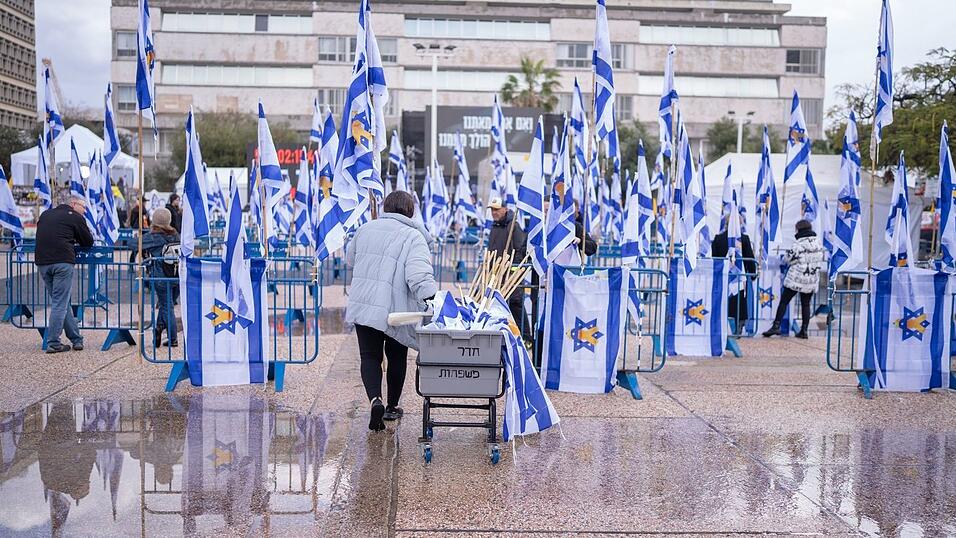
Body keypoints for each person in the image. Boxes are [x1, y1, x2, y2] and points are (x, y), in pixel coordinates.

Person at [346, 191, 438, 431]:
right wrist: (430, 299)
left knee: (369, 356)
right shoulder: (413, 236)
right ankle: (391, 407)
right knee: (397, 355)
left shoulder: (365, 229)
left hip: (364, 303)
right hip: (395, 309)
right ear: (411, 211)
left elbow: (350, 259)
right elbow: (418, 274)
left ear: (386, 207)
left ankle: (374, 399)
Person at [34, 196, 95, 353]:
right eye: (83, 206)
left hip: (42, 262)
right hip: (62, 261)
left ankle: (76, 339)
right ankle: (53, 342)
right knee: (59, 304)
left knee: (61, 301)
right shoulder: (75, 217)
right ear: (73, 204)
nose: (85, 210)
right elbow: (88, 242)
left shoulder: (45, 214)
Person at [762, 219, 826, 339]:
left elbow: (787, 259)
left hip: (796, 278)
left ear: (799, 230)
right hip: (811, 278)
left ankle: (776, 326)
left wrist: (795, 261)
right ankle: (804, 330)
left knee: (784, 301)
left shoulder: (798, 244)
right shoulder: (818, 243)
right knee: (805, 304)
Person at [486, 197, 529, 338]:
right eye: (492, 210)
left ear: (505, 209)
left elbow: (520, 250)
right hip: (495, 274)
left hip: (510, 276)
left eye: (497, 209)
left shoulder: (513, 227)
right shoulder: (494, 226)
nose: (494, 212)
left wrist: (512, 271)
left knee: (516, 305)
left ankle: (525, 336)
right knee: (497, 305)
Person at [142, 208, 180, 347]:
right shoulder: (176, 234)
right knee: (166, 305)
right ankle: (158, 329)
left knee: (166, 306)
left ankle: (173, 338)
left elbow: (133, 244)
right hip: (176, 275)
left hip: (161, 276)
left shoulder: (154, 237)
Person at [710, 226, 757, 334]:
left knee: (725, 299)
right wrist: (753, 272)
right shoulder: (744, 238)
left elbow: (715, 257)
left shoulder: (718, 238)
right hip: (738, 276)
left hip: (724, 275)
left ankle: (725, 324)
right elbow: (749, 256)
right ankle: (738, 325)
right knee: (739, 299)